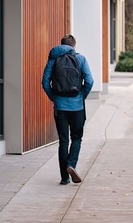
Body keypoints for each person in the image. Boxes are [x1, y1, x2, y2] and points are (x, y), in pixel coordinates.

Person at [42, 34, 94, 185]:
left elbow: (45, 81)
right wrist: (81, 95)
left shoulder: (53, 58)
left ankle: (64, 178)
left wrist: (54, 97)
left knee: (63, 141)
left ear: (61, 45)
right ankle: (71, 164)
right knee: (76, 137)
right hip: (77, 105)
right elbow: (89, 80)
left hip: (60, 107)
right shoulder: (80, 58)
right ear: (74, 46)